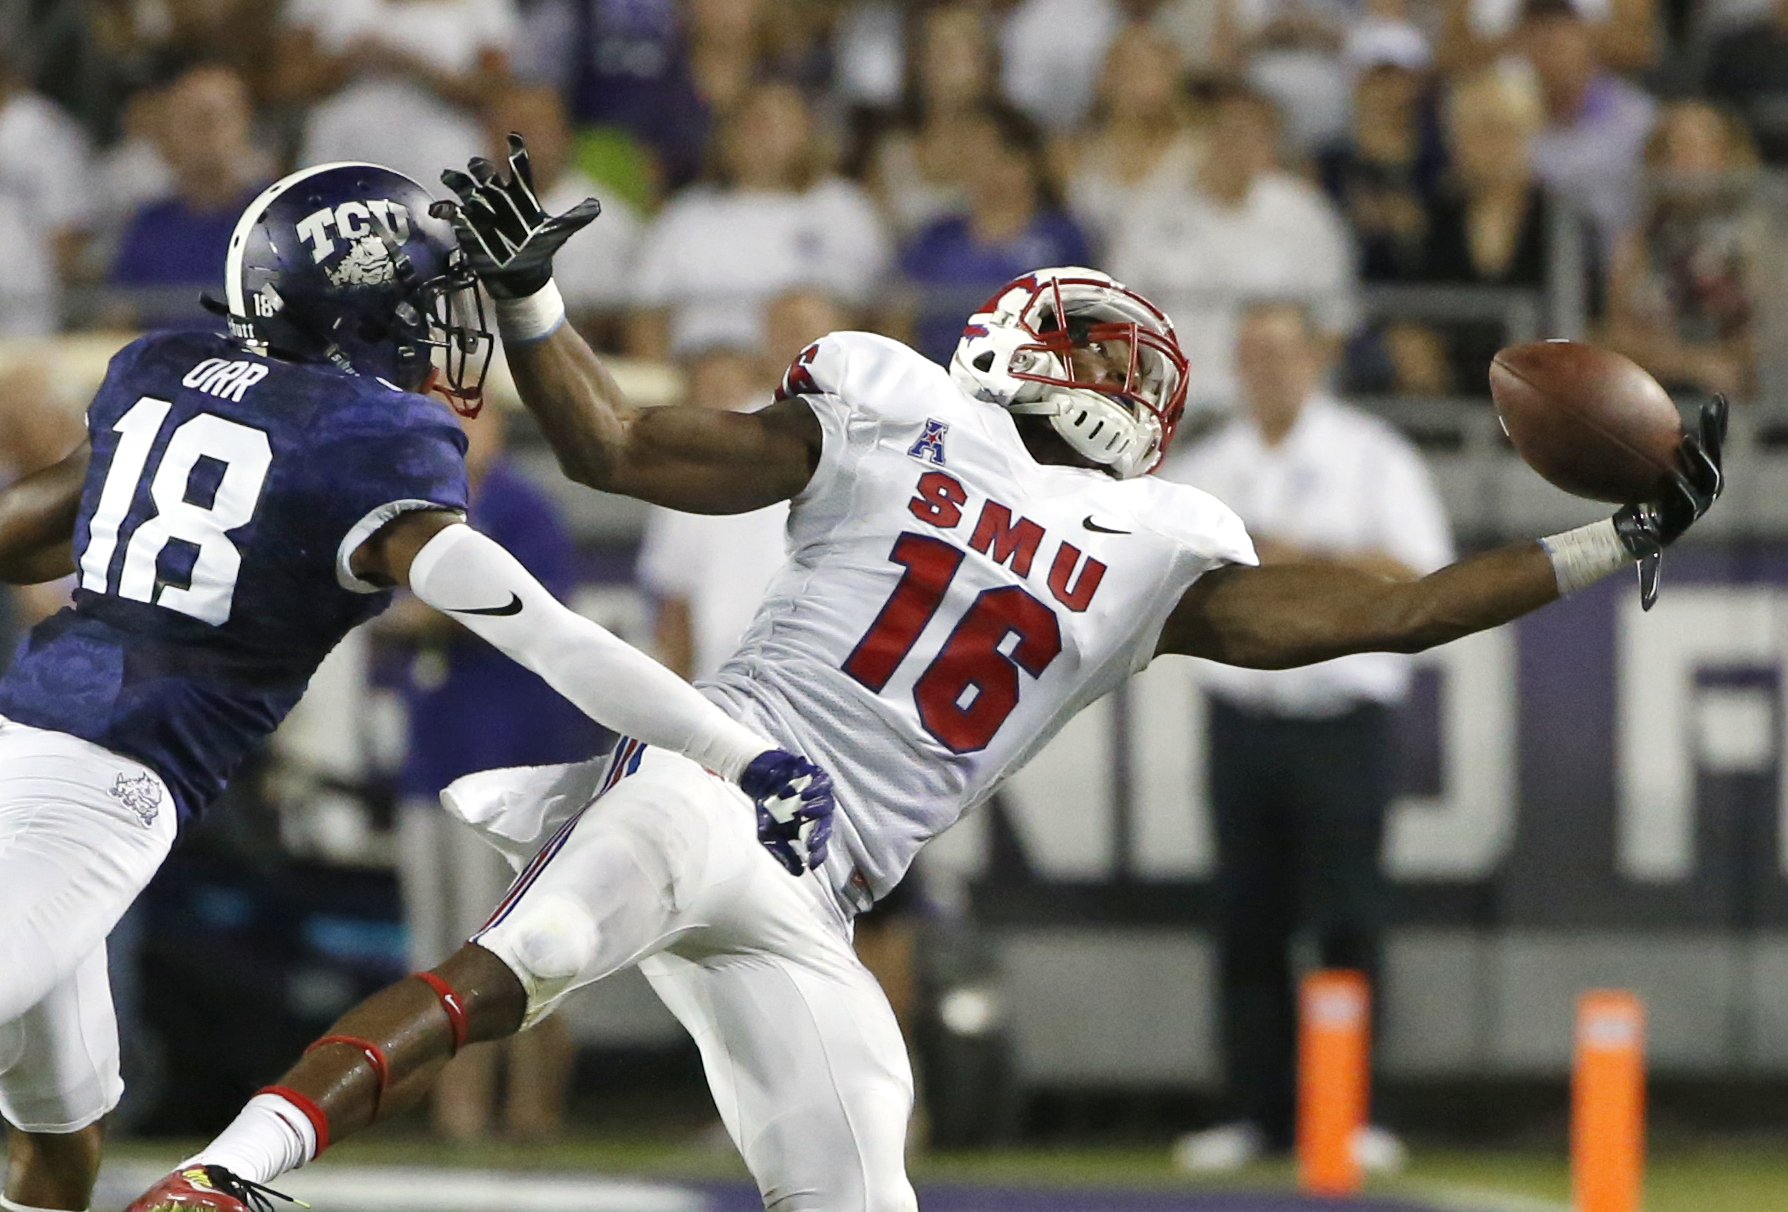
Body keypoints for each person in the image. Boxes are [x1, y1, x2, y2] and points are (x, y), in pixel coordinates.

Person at [123, 136, 1727, 1212]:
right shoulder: (907, 423)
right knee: (530, 950)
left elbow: (1399, 613)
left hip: (821, 889)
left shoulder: (1154, 542)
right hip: (712, 775)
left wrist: (1616, 535)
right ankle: (236, 1171)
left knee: (856, 1181)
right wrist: (535, 299)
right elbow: (617, 445)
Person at [0, 159, 833, 1212]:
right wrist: (740, 752)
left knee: (63, 1134)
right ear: (362, 308)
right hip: (104, 796)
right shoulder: (368, 443)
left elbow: (25, 534)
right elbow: (556, 640)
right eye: (428, 299)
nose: (445, 329)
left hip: (22, 747)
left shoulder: (161, 370)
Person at [1159, 301, 1453, 1174]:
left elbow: (1424, 574)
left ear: (1319, 359)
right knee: (1247, 921)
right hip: (1243, 718)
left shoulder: (1372, 457)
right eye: (1253, 354)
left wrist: (1303, 557)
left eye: (1284, 354)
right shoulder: (1209, 465)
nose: (1269, 370)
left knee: (1347, 920)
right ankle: (1258, 1113)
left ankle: (1346, 1109)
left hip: (1343, 719)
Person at [382, 403, 593, 1142]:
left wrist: (420, 614)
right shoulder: (413, 508)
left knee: (511, 945)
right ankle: (457, 1117)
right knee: (436, 949)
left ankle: (531, 1111)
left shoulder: (520, 508)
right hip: (434, 756)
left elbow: (517, 613)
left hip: (506, 760)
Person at [1109, 85, 1358, 413]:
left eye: (1252, 134)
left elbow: (1334, 324)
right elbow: (1117, 317)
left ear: (1271, 142)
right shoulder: (1149, 213)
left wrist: (1291, 400)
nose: (1235, 145)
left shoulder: (1305, 215)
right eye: (1224, 130)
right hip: (1171, 409)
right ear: (1200, 134)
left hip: (1271, 409)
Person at [627, 80, 889, 360]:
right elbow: (646, 317)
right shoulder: (686, 216)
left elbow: (878, 313)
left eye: (780, 123)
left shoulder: (845, 210)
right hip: (709, 387)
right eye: (754, 123)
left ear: (809, 131)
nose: (766, 136)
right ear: (726, 137)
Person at [896, 107, 1091, 366]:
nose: (986, 168)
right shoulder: (937, 237)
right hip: (939, 378)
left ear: (1028, 162)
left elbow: (1083, 323)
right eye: (975, 156)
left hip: (1032, 379)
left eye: (997, 155)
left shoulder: (1062, 238)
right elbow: (897, 316)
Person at [1605, 100, 1761, 401]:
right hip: (1658, 392)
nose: (1685, 159)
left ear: (1728, 156)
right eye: (1672, 148)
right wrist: (1691, 364)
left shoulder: (1758, 237)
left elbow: (1766, 335)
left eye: (1698, 145)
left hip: (1745, 398)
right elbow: (1617, 337)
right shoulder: (1637, 240)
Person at [105, 66, 271, 331]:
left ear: (244, 122)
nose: (206, 134)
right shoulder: (148, 228)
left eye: (215, 118)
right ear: (169, 133)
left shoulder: (284, 219)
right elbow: (117, 325)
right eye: (191, 121)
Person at [1518, 0, 1656, 247]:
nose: (1547, 41)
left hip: (1613, 259)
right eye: (1536, 31)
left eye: (1560, 33)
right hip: (1533, 259)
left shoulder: (1640, 119)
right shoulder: (1504, 118)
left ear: (1588, 36)